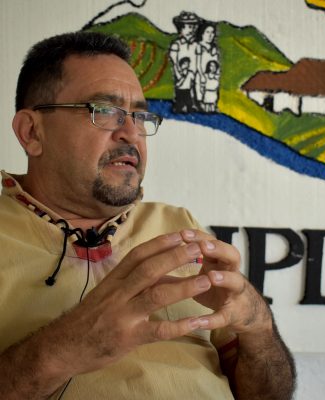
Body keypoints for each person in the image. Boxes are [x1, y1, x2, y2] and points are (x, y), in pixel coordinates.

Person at [0, 31, 296, 399]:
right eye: (104, 111)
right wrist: (65, 348)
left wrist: (258, 325)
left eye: (139, 116)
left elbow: (269, 395)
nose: (131, 134)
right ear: (32, 132)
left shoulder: (179, 226)